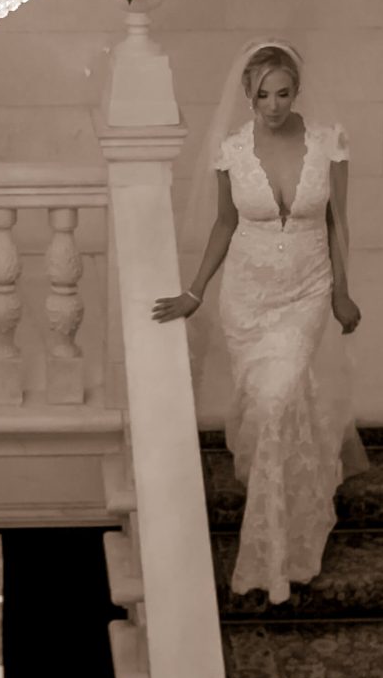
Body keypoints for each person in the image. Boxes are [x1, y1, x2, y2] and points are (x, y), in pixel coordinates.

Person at [153, 40, 365, 601]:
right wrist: (196, 291)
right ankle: (277, 481)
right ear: (247, 93)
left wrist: (344, 292)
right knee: (263, 405)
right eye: (264, 93)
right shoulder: (230, 151)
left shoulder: (329, 144)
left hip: (307, 291)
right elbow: (225, 224)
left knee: (277, 399)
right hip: (245, 299)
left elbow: (338, 225)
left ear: (297, 92)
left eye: (285, 92)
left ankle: (278, 554)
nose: (274, 104)